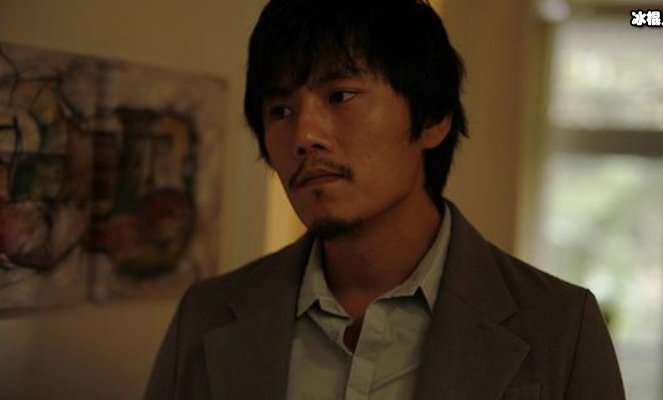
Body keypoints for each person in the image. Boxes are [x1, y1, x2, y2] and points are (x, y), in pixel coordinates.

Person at [145, 0, 626, 398]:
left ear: (433, 118)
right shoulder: (206, 316)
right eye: (280, 110)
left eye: (340, 96)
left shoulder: (561, 327)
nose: (304, 135)